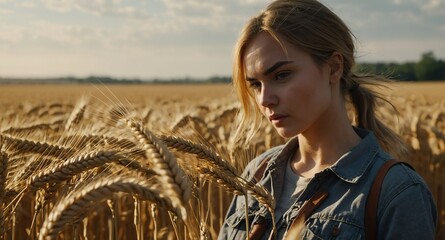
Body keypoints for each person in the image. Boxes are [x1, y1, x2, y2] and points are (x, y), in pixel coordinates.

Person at [218, 0, 438, 239]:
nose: (264, 99)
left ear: (333, 68)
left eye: (281, 75)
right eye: (255, 84)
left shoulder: (397, 191)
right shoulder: (258, 173)